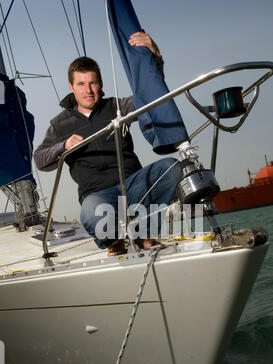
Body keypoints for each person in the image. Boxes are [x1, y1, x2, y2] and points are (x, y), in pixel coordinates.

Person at [34, 32, 183, 256]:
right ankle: (115, 241)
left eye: (93, 83)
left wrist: (155, 55)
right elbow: (40, 159)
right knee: (91, 212)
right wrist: (63, 146)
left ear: (100, 83)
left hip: (133, 183)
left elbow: (151, 94)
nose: (88, 90)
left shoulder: (117, 106)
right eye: (81, 84)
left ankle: (144, 233)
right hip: (97, 194)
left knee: (172, 167)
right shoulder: (59, 124)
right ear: (71, 86)